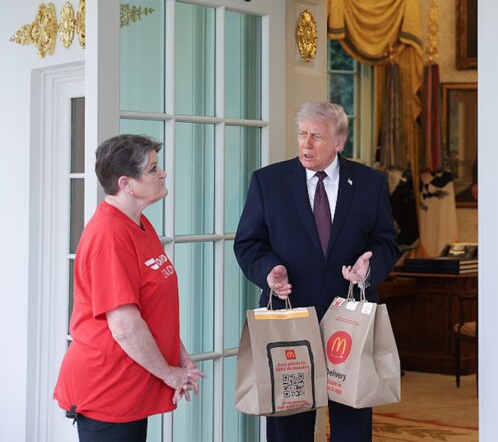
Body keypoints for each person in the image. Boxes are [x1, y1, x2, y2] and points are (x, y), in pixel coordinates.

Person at [234, 102, 398, 442]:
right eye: (302, 134)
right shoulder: (269, 181)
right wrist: (269, 271)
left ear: (339, 142)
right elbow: (248, 243)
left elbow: (386, 242)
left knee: (352, 424)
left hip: (350, 319)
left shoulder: (370, 182)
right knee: (289, 426)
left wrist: (368, 269)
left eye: (317, 137)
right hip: (289, 316)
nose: (306, 144)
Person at [54, 134, 204, 442]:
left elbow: (152, 307)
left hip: (132, 385)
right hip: (108, 388)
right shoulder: (109, 235)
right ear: (126, 183)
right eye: (152, 169)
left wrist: (178, 355)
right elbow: (124, 326)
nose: (162, 173)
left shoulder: (139, 223)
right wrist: (169, 373)